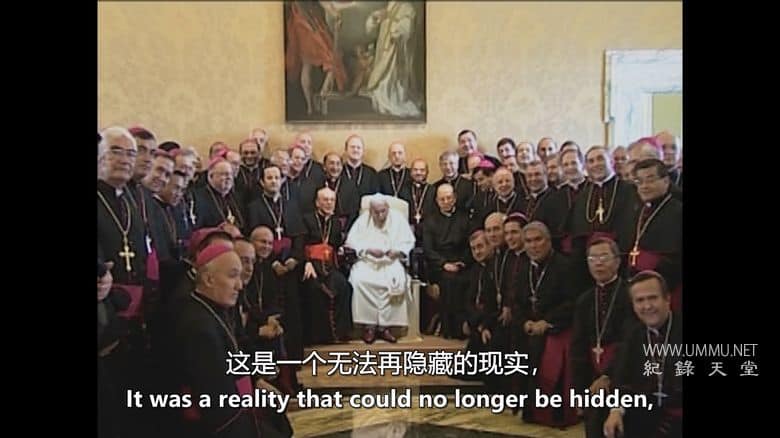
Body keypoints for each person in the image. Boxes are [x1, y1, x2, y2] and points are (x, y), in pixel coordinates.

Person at [168, 243, 289, 438]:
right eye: (233, 276)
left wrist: (255, 380)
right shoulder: (199, 327)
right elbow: (216, 402)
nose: (240, 285)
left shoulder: (214, 308)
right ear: (209, 279)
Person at [570, 237, 637, 438]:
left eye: (603, 257)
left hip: (624, 375)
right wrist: (579, 391)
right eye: (592, 259)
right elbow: (578, 347)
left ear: (617, 261)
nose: (598, 263)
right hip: (592, 378)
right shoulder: (584, 300)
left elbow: (630, 341)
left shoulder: (630, 295)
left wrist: (608, 375)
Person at [515, 221, 579, 428]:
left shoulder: (565, 266)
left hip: (557, 327)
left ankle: (552, 413)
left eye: (538, 240)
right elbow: (517, 302)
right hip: (530, 327)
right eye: (528, 241)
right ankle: (528, 408)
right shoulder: (524, 268)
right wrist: (524, 321)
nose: (533, 246)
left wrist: (547, 322)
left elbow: (572, 302)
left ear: (549, 241)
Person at [603, 271, 682, 438]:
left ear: (667, 299)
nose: (647, 306)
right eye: (640, 300)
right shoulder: (633, 334)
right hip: (647, 412)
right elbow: (621, 376)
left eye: (653, 298)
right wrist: (616, 410)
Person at [346, 194, 416, 343]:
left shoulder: (398, 219)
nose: (380, 215)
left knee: (396, 281)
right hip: (367, 262)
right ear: (370, 211)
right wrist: (368, 250)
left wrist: (398, 251)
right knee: (358, 280)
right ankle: (369, 327)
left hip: (391, 262)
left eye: (383, 211)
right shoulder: (362, 220)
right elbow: (351, 243)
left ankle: (385, 327)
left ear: (388, 208)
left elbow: (409, 242)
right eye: (376, 212)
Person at [619, 159, 683, 310]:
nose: (644, 186)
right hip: (636, 286)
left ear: (666, 181)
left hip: (667, 288)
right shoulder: (638, 211)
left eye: (650, 180)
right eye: (639, 182)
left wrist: (655, 275)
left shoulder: (678, 211)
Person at [301, 187, 353, 343]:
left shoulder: (336, 223)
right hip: (312, 265)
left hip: (330, 266)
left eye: (332, 200)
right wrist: (306, 262)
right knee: (314, 290)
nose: (329, 203)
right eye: (325, 200)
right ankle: (319, 336)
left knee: (345, 287)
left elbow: (336, 246)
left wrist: (342, 250)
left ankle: (340, 333)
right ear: (317, 203)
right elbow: (300, 244)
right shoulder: (307, 219)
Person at [423, 184, 472, 338]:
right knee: (450, 281)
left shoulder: (465, 218)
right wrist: (444, 264)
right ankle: (450, 329)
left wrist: (462, 262)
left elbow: (469, 245)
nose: (446, 201)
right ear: (437, 201)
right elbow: (428, 249)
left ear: (455, 198)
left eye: (449, 198)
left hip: (462, 263)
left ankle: (465, 326)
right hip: (439, 265)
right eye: (442, 199)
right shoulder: (430, 221)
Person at [363, 1, 423, 117]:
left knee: (390, 75)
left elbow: (408, 25)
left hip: (396, 48)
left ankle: (389, 96)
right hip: (384, 47)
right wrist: (374, 18)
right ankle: (382, 95)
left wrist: (397, 32)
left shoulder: (407, 7)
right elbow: (374, 24)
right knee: (382, 72)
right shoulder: (390, 5)